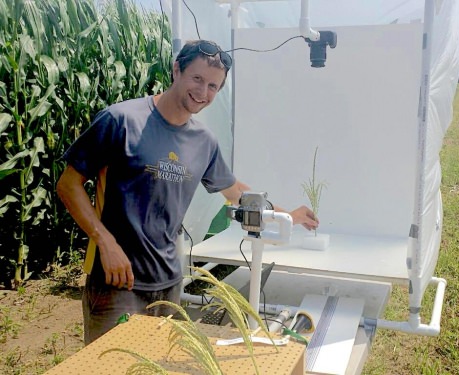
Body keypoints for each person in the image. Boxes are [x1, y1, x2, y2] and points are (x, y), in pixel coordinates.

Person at [56, 39, 319, 344]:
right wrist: (105, 241)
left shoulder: (203, 141)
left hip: (169, 280)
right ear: (176, 70)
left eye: (213, 86)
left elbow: (234, 191)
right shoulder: (122, 120)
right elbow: (68, 184)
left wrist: (287, 215)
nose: (203, 92)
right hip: (118, 280)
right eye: (197, 79)